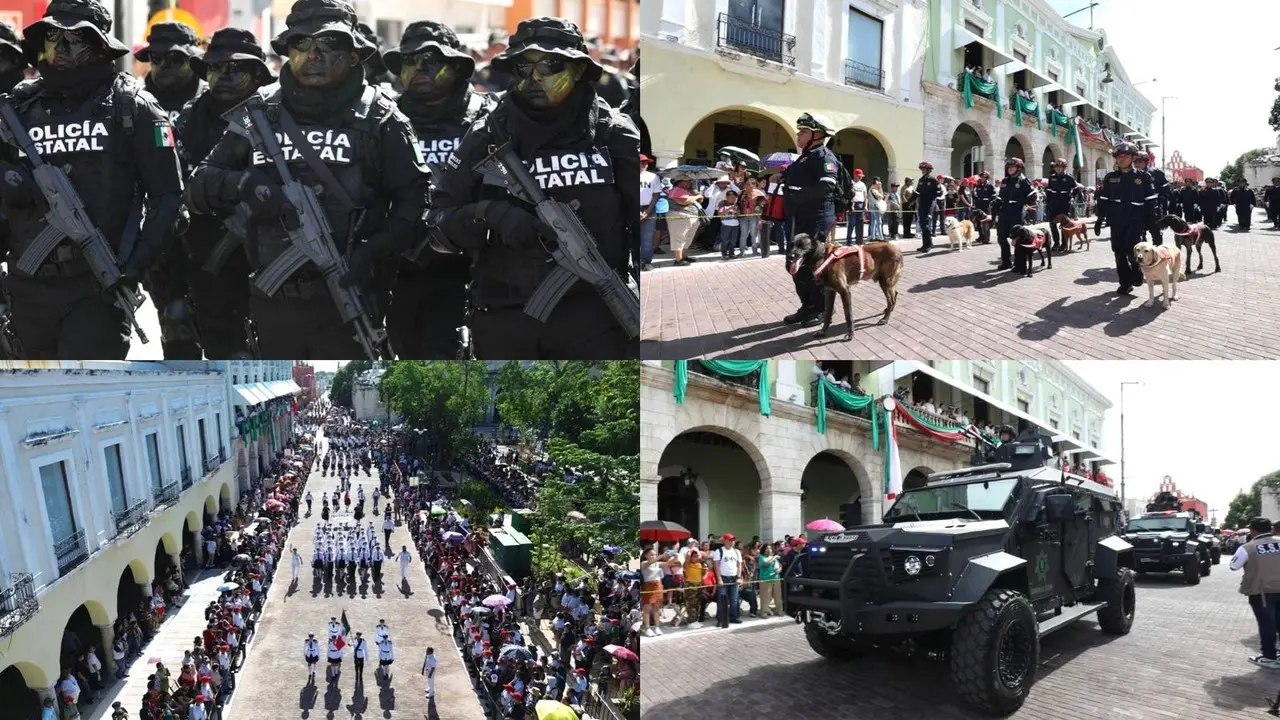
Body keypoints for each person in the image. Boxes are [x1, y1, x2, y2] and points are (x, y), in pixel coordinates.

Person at [187, 0, 428, 358]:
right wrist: (245, 186)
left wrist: (375, 248)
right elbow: (198, 186)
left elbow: (417, 200)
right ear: (286, 51)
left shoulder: (381, 117)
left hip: (353, 293)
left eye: (329, 45)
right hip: (274, 301)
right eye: (301, 45)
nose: (314, 56)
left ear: (354, 55)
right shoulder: (259, 111)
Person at [426, 17, 639, 359]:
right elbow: (437, 224)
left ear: (580, 69)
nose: (535, 77)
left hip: (597, 319)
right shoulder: (486, 135)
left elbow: (642, 232)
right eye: (523, 66)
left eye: (552, 65)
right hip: (504, 318)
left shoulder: (614, 134)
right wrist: (491, 215)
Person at [1, 0, 183, 359]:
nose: (61, 49)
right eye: (53, 36)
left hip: (98, 286)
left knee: (85, 396)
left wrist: (134, 267)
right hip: (27, 286)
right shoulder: (18, 107)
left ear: (100, 44)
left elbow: (168, 199)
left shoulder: (133, 107)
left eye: (76, 39)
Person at [381, 21, 494, 358]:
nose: (419, 70)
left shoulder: (487, 117)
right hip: (399, 268)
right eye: (410, 62)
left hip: (464, 270)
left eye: (431, 60)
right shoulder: (383, 118)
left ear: (457, 65)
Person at [781, 112, 839, 326]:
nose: (799, 135)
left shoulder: (824, 156)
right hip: (799, 219)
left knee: (813, 267)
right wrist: (783, 177)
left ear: (818, 135)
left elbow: (827, 186)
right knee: (794, 265)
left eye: (804, 131)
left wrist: (796, 193)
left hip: (815, 219)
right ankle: (807, 306)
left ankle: (822, 309)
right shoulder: (805, 156)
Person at [1096, 143, 1153, 294]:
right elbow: (1103, 199)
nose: (1122, 159)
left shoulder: (1143, 176)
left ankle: (1137, 272)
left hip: (1136, 218)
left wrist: (1153, 223)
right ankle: (1125, 283)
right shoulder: (1110, 177)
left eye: (1125, 156)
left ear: (1132, 157)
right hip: (1116, 219)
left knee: (1130, 248)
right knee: (1118, 251)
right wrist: (1100, 218)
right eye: (1119, 156)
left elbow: (1151, 201)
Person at [1231, 517, 1280, 669]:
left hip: (1262, 593)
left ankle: (1269, 656)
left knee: (1267, 624)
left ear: (1253, 530)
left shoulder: (1247, 548)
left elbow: (1234, 565)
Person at [995, 157, 1035, 272]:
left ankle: (1019, 264)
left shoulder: (1023, 181)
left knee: (1018, 238)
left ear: (1019, 168)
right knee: (1001, 237)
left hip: (1017, 212)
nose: (1010, 169)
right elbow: (1000, 196)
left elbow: (1032, 194)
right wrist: (996, 207)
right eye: (1009, 167)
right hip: (1004, 211)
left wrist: (1026, 201)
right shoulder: (1005, 181)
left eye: (1013, 167)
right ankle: (1006, 261)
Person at [1132, 150, 1169, 244]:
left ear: (1146, 162)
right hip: (1138, 208)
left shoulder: (1156, 173)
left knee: (1156, 232)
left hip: (1153, 207)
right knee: (1139, 234)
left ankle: (1158, 253)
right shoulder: (1131, 175)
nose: (1137, 164)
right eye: (1135, 162)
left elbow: (1165, 188)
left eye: (1140, 162)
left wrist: (1160, 199)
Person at [1044, 158, 1076, 251]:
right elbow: (1049, 190)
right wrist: (1048, 202)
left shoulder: (1069, 177)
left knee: (1064, 225)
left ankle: (1064, 243)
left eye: (1060, 167)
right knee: (1052, 223)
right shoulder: (1052, 177)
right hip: (1053, 203)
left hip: (1064, 203)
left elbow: (1076, 188)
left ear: (1064, 167)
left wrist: (1071, 196)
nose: (1058, 168)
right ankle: (1056, 243)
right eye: (1056, 166)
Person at [713, 532, 743, 628]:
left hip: (734, 577)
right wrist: (719, 579)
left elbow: (739, 565)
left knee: (735, 599)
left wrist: (739, 577)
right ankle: (721, 619)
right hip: (724, 577)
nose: (733, 542)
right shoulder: (719, 551)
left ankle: (734, 616)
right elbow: (716, 566)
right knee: (722, 599)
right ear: (725, 541)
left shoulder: (737, 552)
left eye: (733, 540)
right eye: (731, 540)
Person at [912, 162, 943, 252]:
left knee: (926, 223)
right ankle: (925, 244)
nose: (922, 171)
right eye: (921, 169)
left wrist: (931, 197)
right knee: (922, 223)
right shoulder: (921, 180)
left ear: (929, 170)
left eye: (924, 169)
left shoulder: (933, 180)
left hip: (929, 203)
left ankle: (928, 244)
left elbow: (939, 192)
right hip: (922, 203)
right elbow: (917, 192)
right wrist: (909, 201)